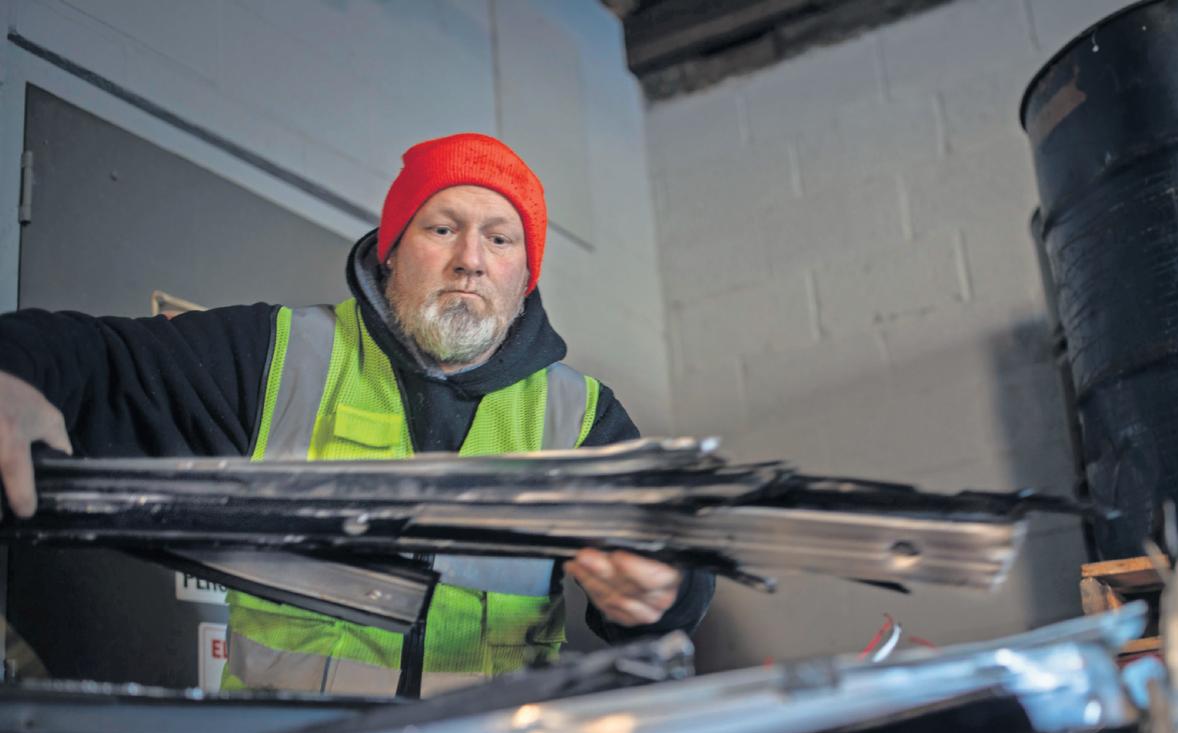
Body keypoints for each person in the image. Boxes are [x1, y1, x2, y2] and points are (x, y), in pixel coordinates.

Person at [0, 132, 714, 695]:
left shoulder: (580, 417)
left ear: (524, 278)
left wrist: (667, 589)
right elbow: (93, 354)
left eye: (500, 239)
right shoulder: (278, 353)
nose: (470, 259)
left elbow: (679, 567)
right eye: (442, 228)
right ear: (391, 251)